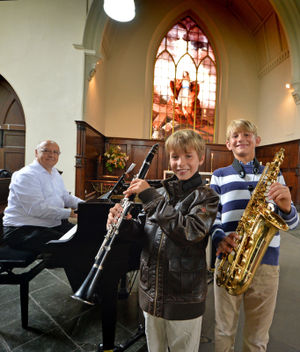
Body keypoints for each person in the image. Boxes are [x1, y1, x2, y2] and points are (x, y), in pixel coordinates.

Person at [107, 129, 219, 352]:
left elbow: (189, 233)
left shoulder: (206, 196)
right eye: (175, 156)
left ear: (201, 158)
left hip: (184, 297)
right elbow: (142, 233)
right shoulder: (161, 191)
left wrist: (150, 197)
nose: (181, 163)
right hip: (151, 293)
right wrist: (122, 223)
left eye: (188, 156)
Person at [210, 119, 299, 352]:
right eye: (236, 136)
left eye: (247, 134)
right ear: (228, 144)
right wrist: (218, 237)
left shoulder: (274, 173)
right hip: (228, 260)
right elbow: (211, 218)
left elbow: (293, 223)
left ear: (257, 141)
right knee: (223, 331)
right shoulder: (219, 175)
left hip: (267, 265)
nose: (241, 139)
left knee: (258, 338)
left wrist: (288, 206)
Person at [2, 140, 84, 291]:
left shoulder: (54, 173)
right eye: (46, 150)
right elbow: (37, 209)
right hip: (21, 229)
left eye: (55, 152)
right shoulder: (25, 175)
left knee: (84, 237)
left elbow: (66, 197)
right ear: (36, 152)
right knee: (73, 246)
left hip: (50, 223)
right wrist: (71, 213)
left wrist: (86, 207)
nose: (51, 155)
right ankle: (83, 290)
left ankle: (89, 285)